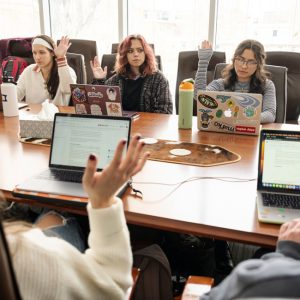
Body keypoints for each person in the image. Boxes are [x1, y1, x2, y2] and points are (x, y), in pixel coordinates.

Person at [2, 134, 149, 300]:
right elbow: (112, 289)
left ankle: (46, 208)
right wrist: (102, 200)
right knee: (58, 215)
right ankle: (51, 210)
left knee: (47, 209)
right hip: (50, 262)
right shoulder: (26, 255)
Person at [200, 218, 300, 299]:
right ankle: (219, 249)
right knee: (264, 252)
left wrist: (288, 252)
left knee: (263, 253)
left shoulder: (264, 279)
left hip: (242, 288)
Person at [195, 39, 276, 124]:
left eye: (251, 62)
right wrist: (203, 62)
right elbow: (199, 96)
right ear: (234, 60)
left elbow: (270, 114)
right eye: (240, 59)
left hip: (251, 132)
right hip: (224, 132)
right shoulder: (220, 84)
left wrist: (241, 119)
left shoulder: (267, 85)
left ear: (258, 65)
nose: (244, 66)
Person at [90, 34, 173, 114]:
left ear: (146, 53)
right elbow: (98, 105)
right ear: (125, 55)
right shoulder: (117, 79)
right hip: (122, 126)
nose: (136, 54)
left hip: (147, 127)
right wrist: (99, 80)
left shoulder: (159, 79)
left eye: (140, 50)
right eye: (130, 51)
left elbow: (165, 112)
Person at [17, 35, 77, 106]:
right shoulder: (28, 71)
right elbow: (16, 95)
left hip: (55, 115)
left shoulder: (66, 70)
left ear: (52, 53)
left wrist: (61, 58)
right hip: (33, 115)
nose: (37, 57)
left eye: (42, 52)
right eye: (34, 53)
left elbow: (69, 90)